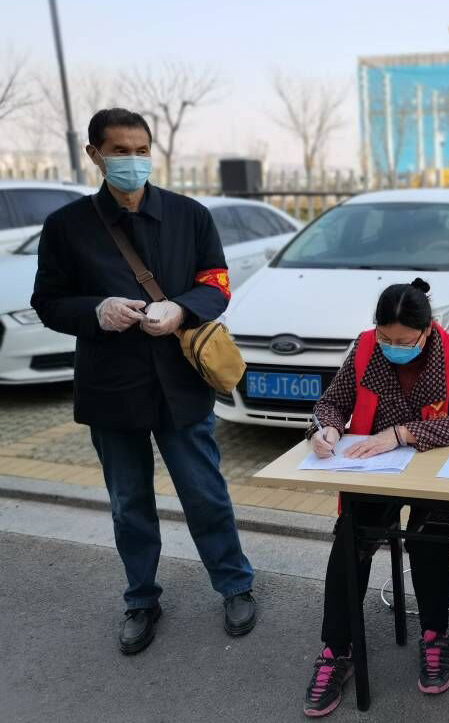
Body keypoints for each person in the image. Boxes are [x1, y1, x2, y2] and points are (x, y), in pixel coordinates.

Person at [30, 108, 256, 655]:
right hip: (111, 386)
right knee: (128, 502)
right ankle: (140, 598)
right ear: (94, 155)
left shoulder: (189, 215)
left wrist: (182, 309)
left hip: (180, 382)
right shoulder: (67, 226)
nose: (132, 161)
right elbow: (48, 302)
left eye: (140, 150)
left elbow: (217, 283)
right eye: (119, 151)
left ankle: (234, 584)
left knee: (204, 493)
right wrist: (96, 310)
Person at [302, 279, 449, 718]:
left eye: (404, 342)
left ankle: (435, 635)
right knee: (350, 540)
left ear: (427, 330)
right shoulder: (366, 348)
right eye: (386, 338)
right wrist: (326, 429)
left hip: (435, 469)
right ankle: (336, 650)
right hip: (374, 469)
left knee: (428, 536)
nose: (393, 348)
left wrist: (401, 434)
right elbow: (332, 402)